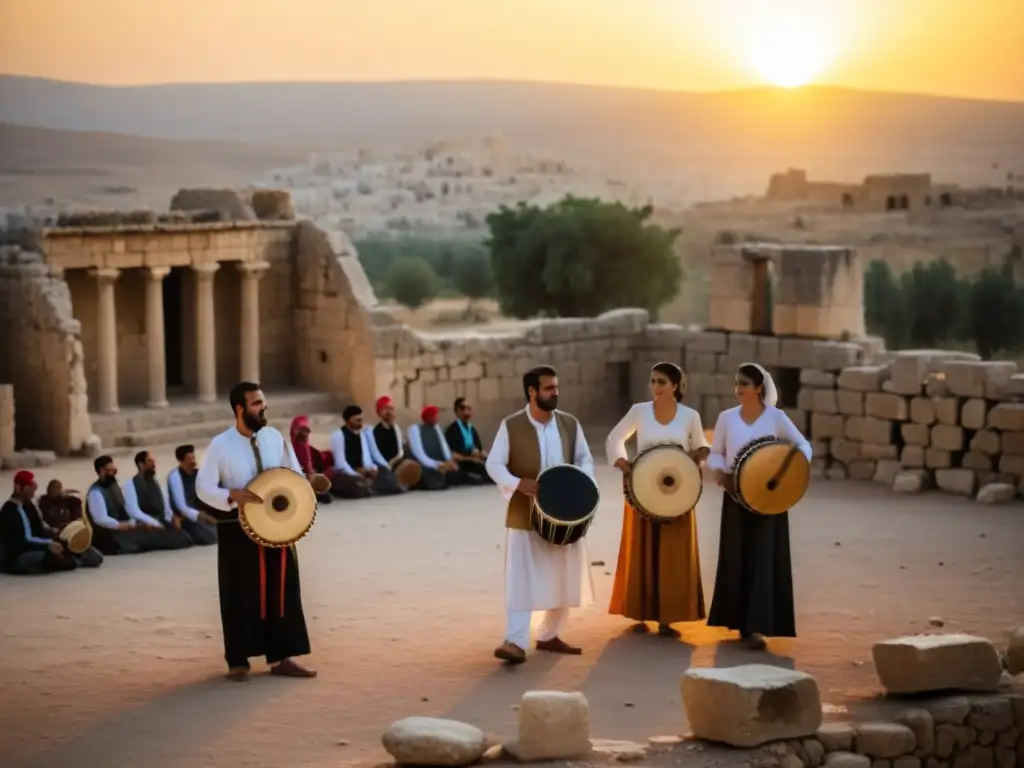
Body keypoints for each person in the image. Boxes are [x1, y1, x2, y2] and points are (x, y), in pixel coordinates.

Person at [196, 381, 315, 682]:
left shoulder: (275, 437)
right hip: (239, 531)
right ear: (240, 408)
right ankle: (238, 661)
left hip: (279, 526)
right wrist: (232, 495)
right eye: (256, 403)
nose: (263, 408)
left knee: (282, 591)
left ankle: (282, 657)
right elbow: (203, 487)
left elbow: (294, 473)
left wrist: (301, 499)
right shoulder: (221, 445)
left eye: (263, 402)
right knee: (241, 593)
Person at [485, 365, 596, 664]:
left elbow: (585, 459)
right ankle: (516, 641)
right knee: (521, 577)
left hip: (565, 513)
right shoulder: (511, 425)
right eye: (548, 388)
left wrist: (578, 484)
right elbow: (493, 465)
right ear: (532, 391)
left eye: (556, 387)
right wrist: (517, 483)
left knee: (564, 575)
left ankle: (549, 635)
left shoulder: (570, 424)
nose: (555, 392)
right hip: (524, 511)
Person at [706, 363, 812, 650]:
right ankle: (738, 622)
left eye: (744, 384)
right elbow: (716, 453)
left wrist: (786, 472)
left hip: (769, 499)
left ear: (759, 388)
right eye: (737, 383)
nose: (738, 389)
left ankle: (758, 627)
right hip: (736, 497)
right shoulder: (727, 418)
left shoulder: (776, 418)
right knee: (737, 556)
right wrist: (719, 473)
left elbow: (803, 447)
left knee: (764, 559)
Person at [606, 362, 709, 637]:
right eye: (652, 381)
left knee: (673, 553)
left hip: (678, 493)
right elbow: (615, 438)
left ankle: (668, 617)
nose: (655, 387)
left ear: (675, 386)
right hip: (643, 490)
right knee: (643, 550)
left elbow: (701, 445)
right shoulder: (639, 411)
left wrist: (697, 457)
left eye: (661, 382)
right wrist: (623, 463)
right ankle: (640, 611)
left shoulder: (690, 416)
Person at [85, 455, 183, 555]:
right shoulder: (96, 492)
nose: (114, 474)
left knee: (153, 532)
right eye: (111, 471)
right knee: (148, 538)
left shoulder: (113, 486)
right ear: (102, 471)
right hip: (107, 536)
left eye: (115, 471)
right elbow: (101, 519)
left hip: (120, 530)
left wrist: (139, 523)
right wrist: (128, 525)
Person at [1, 471, 79, 575]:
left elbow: (41, 528)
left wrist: (58, 537)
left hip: (32, 547)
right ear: (19, 488)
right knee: (52, 558)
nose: (33, 495)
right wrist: (48, 545)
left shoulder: (29, 506)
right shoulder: (11, 510)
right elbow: (24, 541)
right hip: (16, 556)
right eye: (31, 491)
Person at [123, 450, 195, 549]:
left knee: (186, 539)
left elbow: (165, 505)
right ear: (141, 464)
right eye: (150, 461)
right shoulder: (130, 484)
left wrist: (172, 518)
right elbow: (134, 511)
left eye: (153, 461)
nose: (153, 464)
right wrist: (154, 523)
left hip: (160, 521)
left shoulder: (156, 483)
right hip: (144, 523)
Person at [328, 405, 401, 498]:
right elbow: (340, 463)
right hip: (347, 472)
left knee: (388, 477)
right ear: (348, 421)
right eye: (358, 420)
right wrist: (355, 473)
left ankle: (370, 487)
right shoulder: (338, 435)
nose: (361, 423)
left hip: (364, 471)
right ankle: (368, 487)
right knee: (355, 485)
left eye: (361, 420)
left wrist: (372, 468)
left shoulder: (362, 434)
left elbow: (369, 457)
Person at [37, 479, 105, 567]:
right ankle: (72, 561)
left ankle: (75, 560)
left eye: (58, 488)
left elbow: (78, 514)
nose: (55, 491)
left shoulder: (69, 501)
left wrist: (68, 493)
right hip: (56, 538)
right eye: (53, 488)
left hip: (72, 537)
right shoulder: (43, 503)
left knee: (97, 558)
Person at [167, 444, 219, 545]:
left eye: (193, 458)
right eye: (189, 459)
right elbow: (182, 507)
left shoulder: (198, 474)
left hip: (203, 512)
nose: (193, 461)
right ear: (181, 461)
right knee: (210, 537)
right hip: (187, 517)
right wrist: (201, 516)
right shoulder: (175, 477)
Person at [371, 396, 420, 491]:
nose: (389, 412)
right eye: (386, 409)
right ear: (380, 412)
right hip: (385, 466)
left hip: (397, 463)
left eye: (391, 409)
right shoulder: (377, 432)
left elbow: (399, 451)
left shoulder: (395, 428)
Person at [408, 405, 462, 491]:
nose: (437, 418)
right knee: (432, 481)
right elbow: (419, 455)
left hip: (440, 465)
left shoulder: (436, 428)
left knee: (456, 474)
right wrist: (436, 465)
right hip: (425, 466)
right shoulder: (415, 429)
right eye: (435, 416)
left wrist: (449, 461)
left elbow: (444, 447)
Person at [444, 397, 493, 485]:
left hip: (475, 461)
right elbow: (452, 454)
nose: (466, 411)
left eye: (468, 408)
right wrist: (471, 459)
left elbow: (480, 450)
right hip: (463, 463)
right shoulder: (452, 430)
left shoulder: (472, 429)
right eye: (463, 408)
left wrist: (490, 458)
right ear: (457, 411)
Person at [289, 417, 333, 505]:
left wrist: (311, 474)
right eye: (300, 430)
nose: (304, 435)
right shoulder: (288, 448)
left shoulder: (308, 449)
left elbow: (308, 465)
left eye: (306, 432)